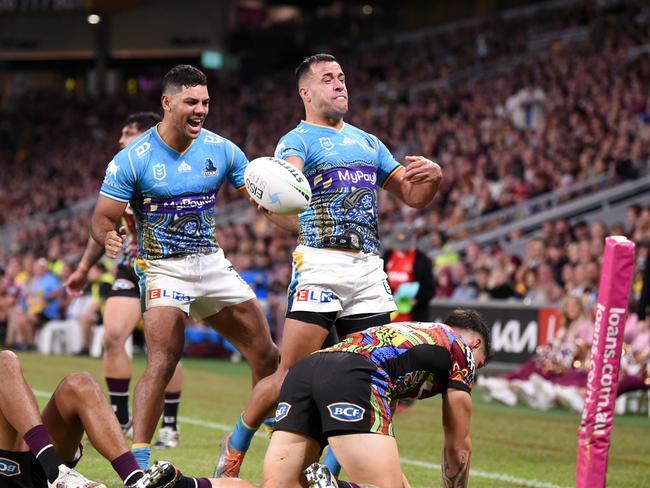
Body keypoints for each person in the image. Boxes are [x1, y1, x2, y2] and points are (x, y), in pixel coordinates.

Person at [217, 52, 442, 478]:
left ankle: (330, 472)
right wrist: (270, 198)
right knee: (291, 373)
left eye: (341, 77)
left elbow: (412, 197)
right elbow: (287, 188)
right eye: (327, 78)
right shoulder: (297, 141)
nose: (340, 84)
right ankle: (236, 444)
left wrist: (433, 180)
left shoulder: (369, 142)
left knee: (375, 375)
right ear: (306, 92)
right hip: (321, 264)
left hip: (369, 268)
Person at [90, 64, 279, 469]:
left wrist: (294, 218)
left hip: (210, 263)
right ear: (167, 103)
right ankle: (138, 463)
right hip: (162, 268)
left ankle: (240, 442)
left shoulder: (223, 149)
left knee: (267, 356)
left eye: (206, 102)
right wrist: (107, 235)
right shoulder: (133, 158)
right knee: (163, 359)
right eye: (191, 102)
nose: (200, 110)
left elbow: (261, 198)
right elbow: (101, 216)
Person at [148, 309, 489, 488]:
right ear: (475, 346)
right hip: (355, 374)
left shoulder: (414, 333)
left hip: (309, 368)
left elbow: (363, 429)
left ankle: (180, 484)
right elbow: (457, 445)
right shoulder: (462, 353)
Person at [64, 112, 186, 449]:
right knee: (114, 335)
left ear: (148, 135)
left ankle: (170, 427)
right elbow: (102, 225)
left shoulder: (171, 169)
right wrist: (84, 267)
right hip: (132, 268)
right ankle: (120, 418)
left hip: (168, 269)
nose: (121, 140)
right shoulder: (123, 173)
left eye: (128, 133)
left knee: (163, 350)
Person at [0, 350, 145, 487]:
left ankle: (135, 479)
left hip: (37, 465)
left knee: (80, 383)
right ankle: (55, 469)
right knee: (4, 361)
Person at [383, 232, 435, 322]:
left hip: (413, 315)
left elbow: (430, 288)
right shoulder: (387, 256)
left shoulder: (421, 259)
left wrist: (416, 300)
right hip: (390, 315)